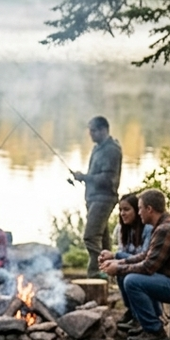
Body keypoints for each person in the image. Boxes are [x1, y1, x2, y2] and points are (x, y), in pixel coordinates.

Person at [99, 188, 170, 340]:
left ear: (149, 209)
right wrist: (118, 262)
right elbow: (146, 255)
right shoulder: (163, 224)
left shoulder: (165, 229)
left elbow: (149, 267)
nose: (139, 212)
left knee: (132, 281)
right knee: (129, 276)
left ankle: (154, 331)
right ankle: (144, 322)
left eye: (140, 208)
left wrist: (118, 269)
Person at [70, 116, 122, 277]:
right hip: (93, 199)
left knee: (90, 236)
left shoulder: (112, 150)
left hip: (104, 199)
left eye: (93, 130)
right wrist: (81, 178)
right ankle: (110, 274)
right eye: (89, 130)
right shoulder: (98, 148)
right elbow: (95, 176)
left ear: (103, 130)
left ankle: (95, 274)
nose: (90, 134)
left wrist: (84, 177)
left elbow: (108, 179)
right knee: (104, 240)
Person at [109, 192, 155, 331]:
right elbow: (124, 255)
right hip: (134, 267)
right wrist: (109, 258)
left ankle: (141, 316)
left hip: (148, 270)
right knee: (120, 269)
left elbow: (145, 257)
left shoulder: (148, 229)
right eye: (120, 210)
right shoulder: (122, 229)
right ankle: (132, 312)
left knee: (124, 271)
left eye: (126, 209)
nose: (122, 213)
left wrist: (115, 256)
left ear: (137, 210)